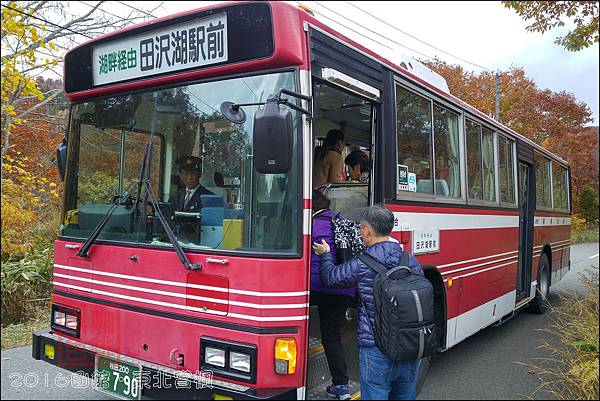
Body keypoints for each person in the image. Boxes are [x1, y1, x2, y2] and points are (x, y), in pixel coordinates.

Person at [312, 205, 424, 400]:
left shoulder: (363, 262)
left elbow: (332, 278)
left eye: (361, 228)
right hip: (409, 346)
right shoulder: (410, 260)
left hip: (376, 348)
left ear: (366, 230)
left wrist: (325, 254)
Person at [310, 190, 355, 400]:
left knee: (295, 327)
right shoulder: (341, 222)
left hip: (315, 288)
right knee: (332, 337)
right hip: (342, 289)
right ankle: (341, 386)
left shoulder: (308, 224)